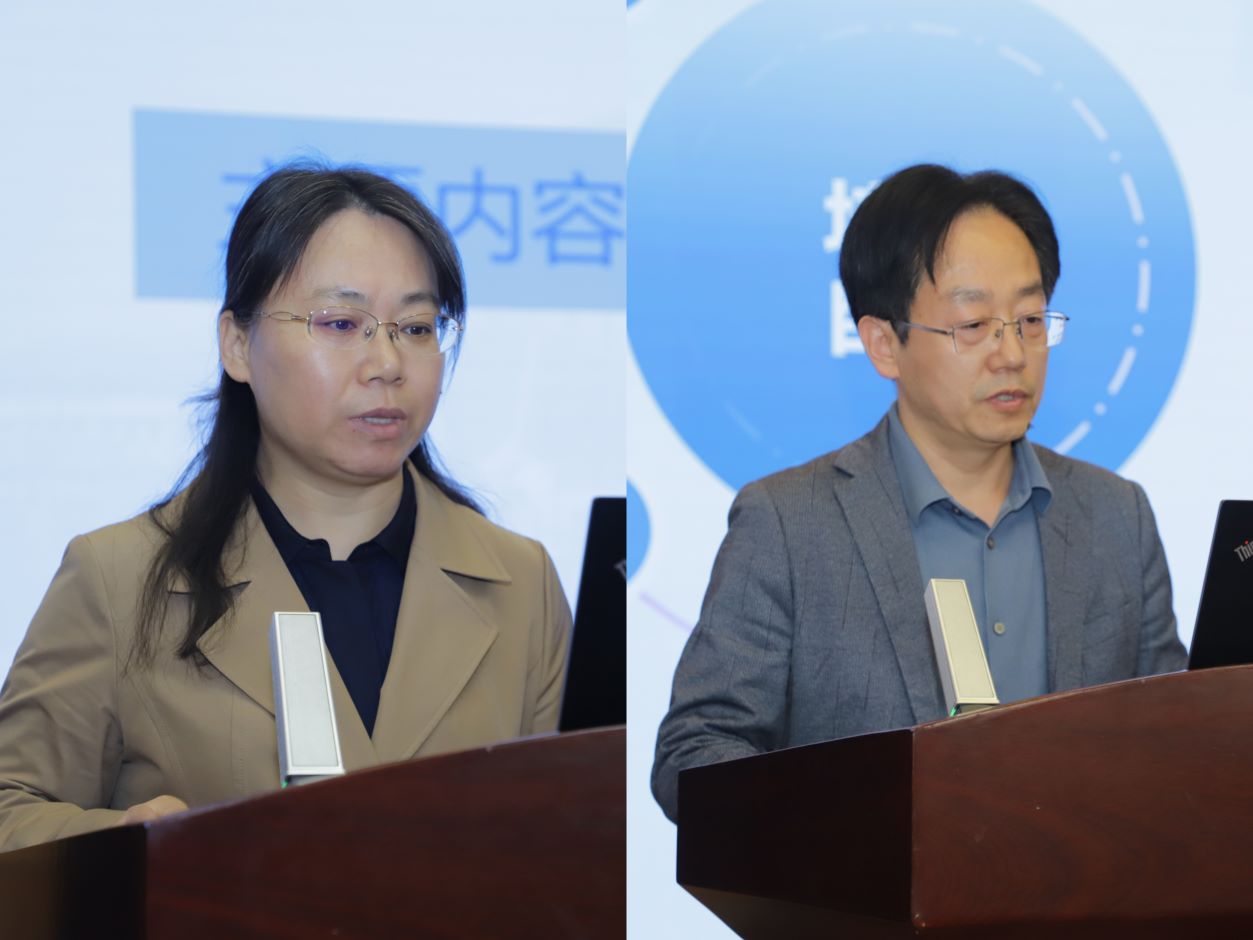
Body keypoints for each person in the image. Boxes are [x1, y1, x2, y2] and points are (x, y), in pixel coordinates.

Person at [0, 165, 572, 851]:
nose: (387, 362)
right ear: (237, 345)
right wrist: (128, 844)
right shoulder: (117, 577)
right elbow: (11, 809)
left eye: (417, 327)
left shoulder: (521, 583)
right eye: (341, 323)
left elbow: (572, 842)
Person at [651, 163, 1186, 823]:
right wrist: (850, 829)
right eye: (973, 325)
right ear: (884, 344)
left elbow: (1176, 739)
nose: (1012, 354)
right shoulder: (790, 525)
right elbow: (695, 752)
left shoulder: (1116, 516)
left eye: (1029, 319)